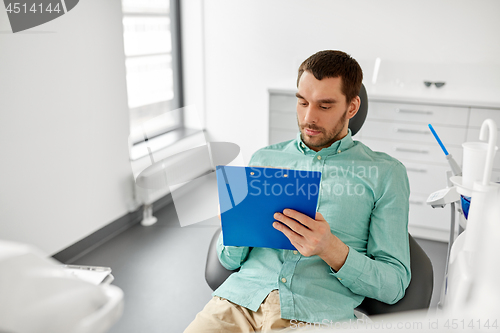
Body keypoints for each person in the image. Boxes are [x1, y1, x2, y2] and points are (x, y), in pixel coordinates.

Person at [184, 50, 411, 332]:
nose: (308, 117)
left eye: (324, 106)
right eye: (302, 102)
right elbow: (228, 259)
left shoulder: (385, 173)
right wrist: (235, 228)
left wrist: (330, 249)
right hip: (236, 303)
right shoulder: (264, 159)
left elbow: (394, 285)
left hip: (313, 315)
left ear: (351, 108)